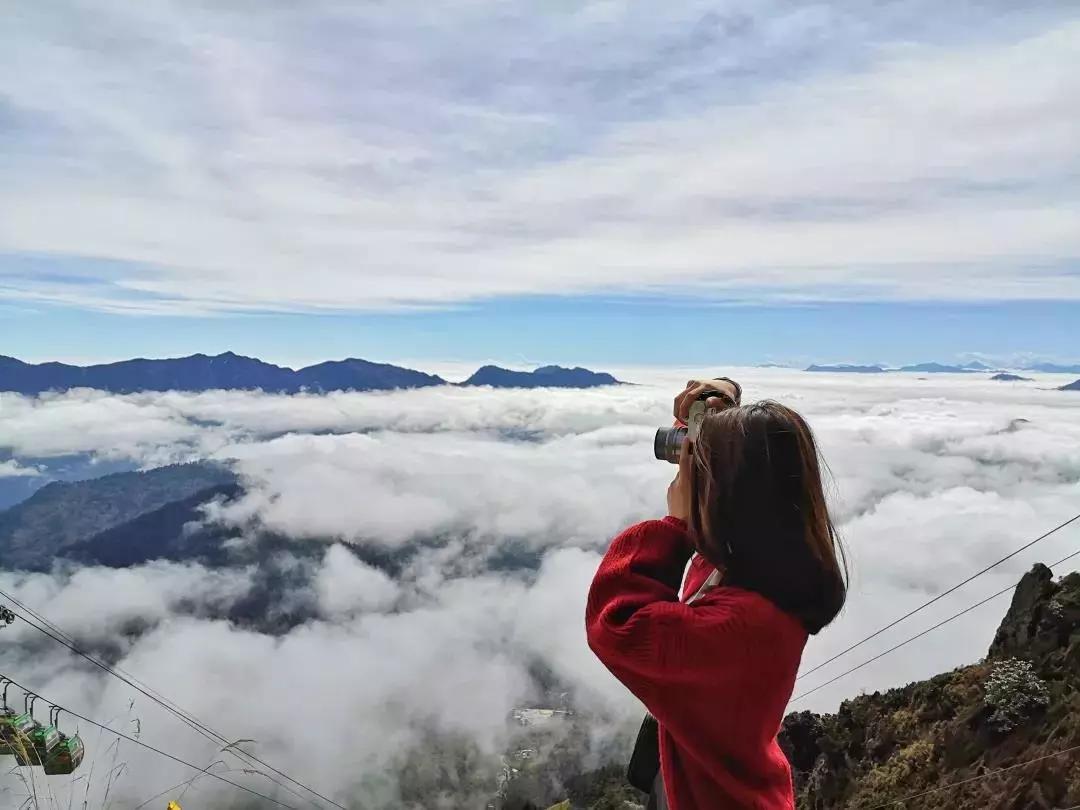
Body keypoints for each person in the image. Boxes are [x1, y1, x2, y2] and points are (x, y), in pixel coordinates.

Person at [585, 378, 848, 809]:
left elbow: (617, 625)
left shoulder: (739, 625)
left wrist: (674, 527)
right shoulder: (760, 576)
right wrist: (715, 409)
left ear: (729, 499)